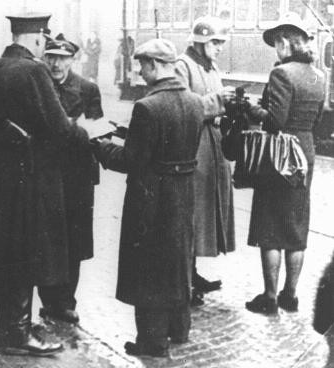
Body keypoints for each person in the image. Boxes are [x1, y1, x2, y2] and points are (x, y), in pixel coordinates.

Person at [0, 13, 90, 356]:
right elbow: (60, 129)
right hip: (30, 183)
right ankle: (15, 334)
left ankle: (11, 325)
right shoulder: (33, 71)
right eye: (44, 39)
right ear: (36, 38)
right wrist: (87, 134)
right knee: (24, 257)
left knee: (6, 255)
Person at [93, 39, 204, 358]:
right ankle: (179, 330)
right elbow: (172, 145)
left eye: (142, 65)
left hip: (151, 197)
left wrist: (98, 144)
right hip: (182, 193)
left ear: (155, 65)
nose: (140, 72)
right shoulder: (194, 101)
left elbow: (131, 161)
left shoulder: (146, 106)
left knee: (150, 266)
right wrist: (129, 134)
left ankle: (152, 342)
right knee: (177, 260)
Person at [244, 12, 324, 314]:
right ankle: (291, 295)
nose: (276, 50)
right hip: (306, 151)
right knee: (296, 226)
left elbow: (275, 122)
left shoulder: (282, 74)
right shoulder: (320, 76)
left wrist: (253, 110)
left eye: (277, 44)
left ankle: (270, 297)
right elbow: (316, 120)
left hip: (280, 155)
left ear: (285, 43)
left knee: (271, 227)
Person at [38, 33, 104, 323]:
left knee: (74, 239)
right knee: (47, 236)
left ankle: (66, 300)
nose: (55, 64)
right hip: (46, 173)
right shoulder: (37, 85)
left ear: (71, 60)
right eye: (51, 57)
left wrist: (74, 129)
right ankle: (48, 299)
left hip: (77, 175)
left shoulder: (88, 88)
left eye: (62, 58)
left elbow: (97, 129)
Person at [175, 16, 236, 306]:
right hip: (194, 148)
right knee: (192, 214)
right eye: (215, 42)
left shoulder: (209, 67)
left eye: (221, 42)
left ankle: (191, 272)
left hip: (212, 148)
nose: (219, 47)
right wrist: (217, 101)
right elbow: (182, 107)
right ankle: (183, 278)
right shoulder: (182, 66)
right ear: (199, 41)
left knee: (204, 214)